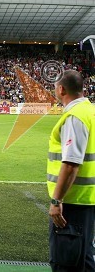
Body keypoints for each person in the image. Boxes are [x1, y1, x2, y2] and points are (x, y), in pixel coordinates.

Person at [47, 70, 95, 271]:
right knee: (84, 259)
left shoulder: (75, 117)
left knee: (67, 262)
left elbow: (71, 163)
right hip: (87, 199)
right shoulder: (89, 110)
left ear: (61, 89)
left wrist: (56, 201)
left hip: (72, 203)